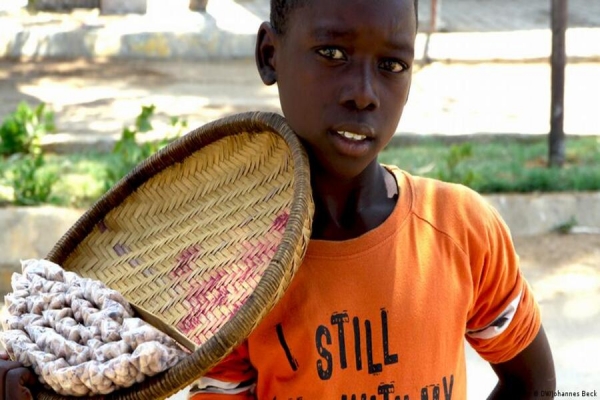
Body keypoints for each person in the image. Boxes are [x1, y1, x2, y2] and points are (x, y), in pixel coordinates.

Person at [0, 0, 556, 399]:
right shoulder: (230, 285)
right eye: (332, 51)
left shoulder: (461, 229)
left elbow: (534, 381)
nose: (364, 91)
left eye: (392, 64)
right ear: (270, 54)